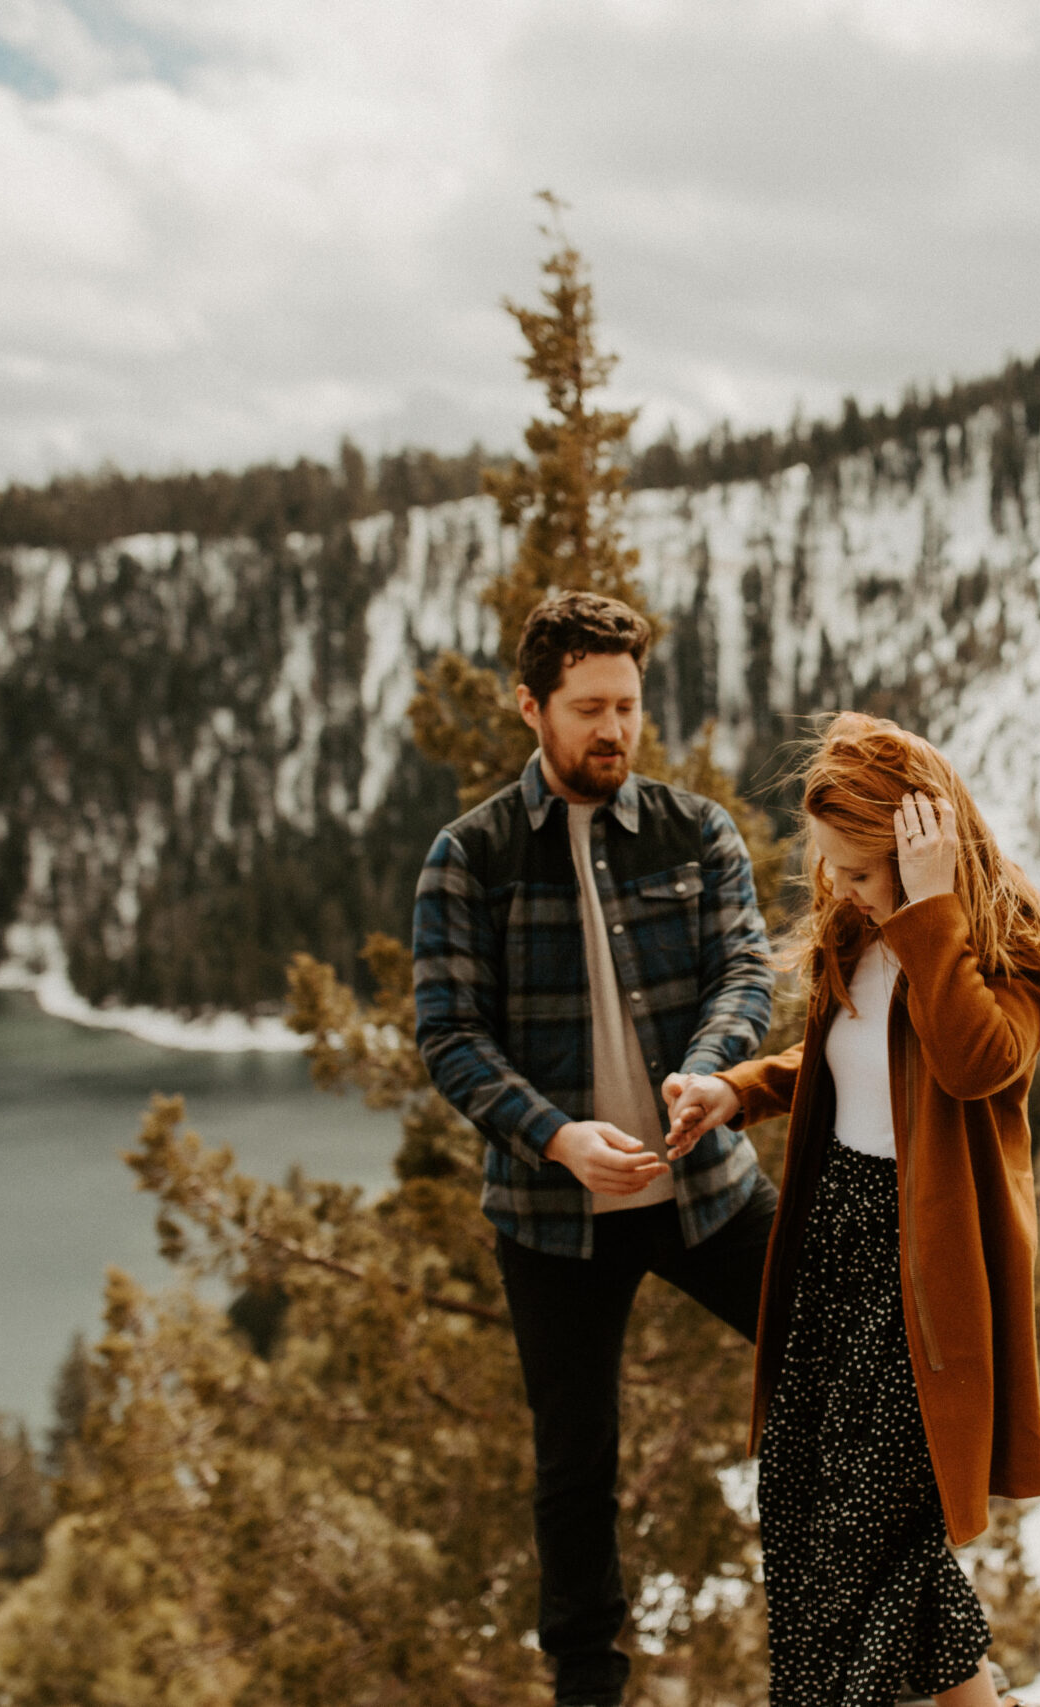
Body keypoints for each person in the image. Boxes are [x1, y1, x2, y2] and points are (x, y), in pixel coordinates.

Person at [663, 712, 1040, 1707]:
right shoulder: (860, 925)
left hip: (926, 1270)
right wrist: (742, 1089)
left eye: (859, 871)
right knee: (807, 1504)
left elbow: (973, 1062)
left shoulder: (1025, 950)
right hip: (832, 1245)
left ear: (921, 846)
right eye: (835, 871)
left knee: (855, 1536)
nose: (840, 890)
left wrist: (930, 910)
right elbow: (850, 1064)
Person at [413, 590, 778, 1707]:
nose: (614, 729)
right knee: (575, 1469)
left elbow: (745, 976)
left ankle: (877, 1620)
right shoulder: (469, 857)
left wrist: (712, 1075)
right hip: (552, 1216)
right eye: (588, 708)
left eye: (627, 705)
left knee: (838, 1365)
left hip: (706, 1189)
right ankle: (590, 1690)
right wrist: (558, 1138)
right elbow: (451, 1037)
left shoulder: (695, 829)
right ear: (532, 708)